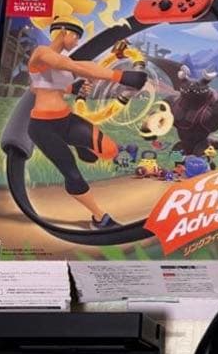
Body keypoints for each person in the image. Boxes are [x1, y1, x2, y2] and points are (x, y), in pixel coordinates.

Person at [27, 16, 146, 228]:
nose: (77, 42)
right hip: (43, 127)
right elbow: (75, 66)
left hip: (66, 120)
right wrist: (121, 77)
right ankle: (99, 218)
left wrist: (74, 89)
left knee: (109, 151)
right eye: (76, 36)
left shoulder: (59, 63)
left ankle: (79, 145)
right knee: (72, 174)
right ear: (64, 31)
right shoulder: (42, 53)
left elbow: (42, 87)